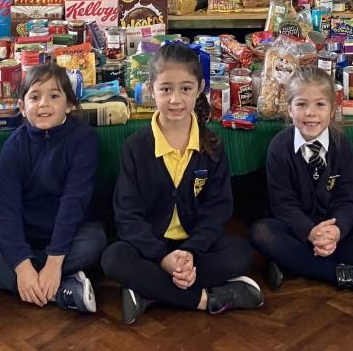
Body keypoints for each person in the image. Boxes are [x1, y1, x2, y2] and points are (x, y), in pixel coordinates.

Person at [101, 42, 263, 324]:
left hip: (195, 248)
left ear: (200, 88)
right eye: (166, 89)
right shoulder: (135, 148)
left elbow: (217, 210)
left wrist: (189, 251)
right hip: (151, 247)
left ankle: (149, 292)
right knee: (113, 257)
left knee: (239, 252)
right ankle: (206, 299)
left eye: (185, 89)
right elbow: (127, 216)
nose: (175, 99)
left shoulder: (211, 145)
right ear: (151, 89)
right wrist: (162, 256)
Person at [0, 63, 105, 312]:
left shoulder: (84, 140)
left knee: (95, 242)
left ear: (69, 104)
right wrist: (22, 265)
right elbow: (7, 210)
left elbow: (74, 202)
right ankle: (60, 290)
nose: (43, 104)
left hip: (70, 234)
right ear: (21, 107)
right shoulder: (14, 147)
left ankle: (0, 280)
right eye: (34, 97)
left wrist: (54, 261)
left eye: (54, 96)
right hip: (27, 233)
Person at [250, 68, 353, 300]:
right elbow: (283, 205)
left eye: (320, 105)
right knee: (262, 233)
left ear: (332, 109)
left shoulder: (342, 145)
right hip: (296, 226)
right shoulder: (279, 147)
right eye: (301, 105)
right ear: (289, 109)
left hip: (334, 223)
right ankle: (345, 275)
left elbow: (348, 200)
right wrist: (310, 232)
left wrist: (335, 232)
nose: (310, 113)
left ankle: (291, 264)